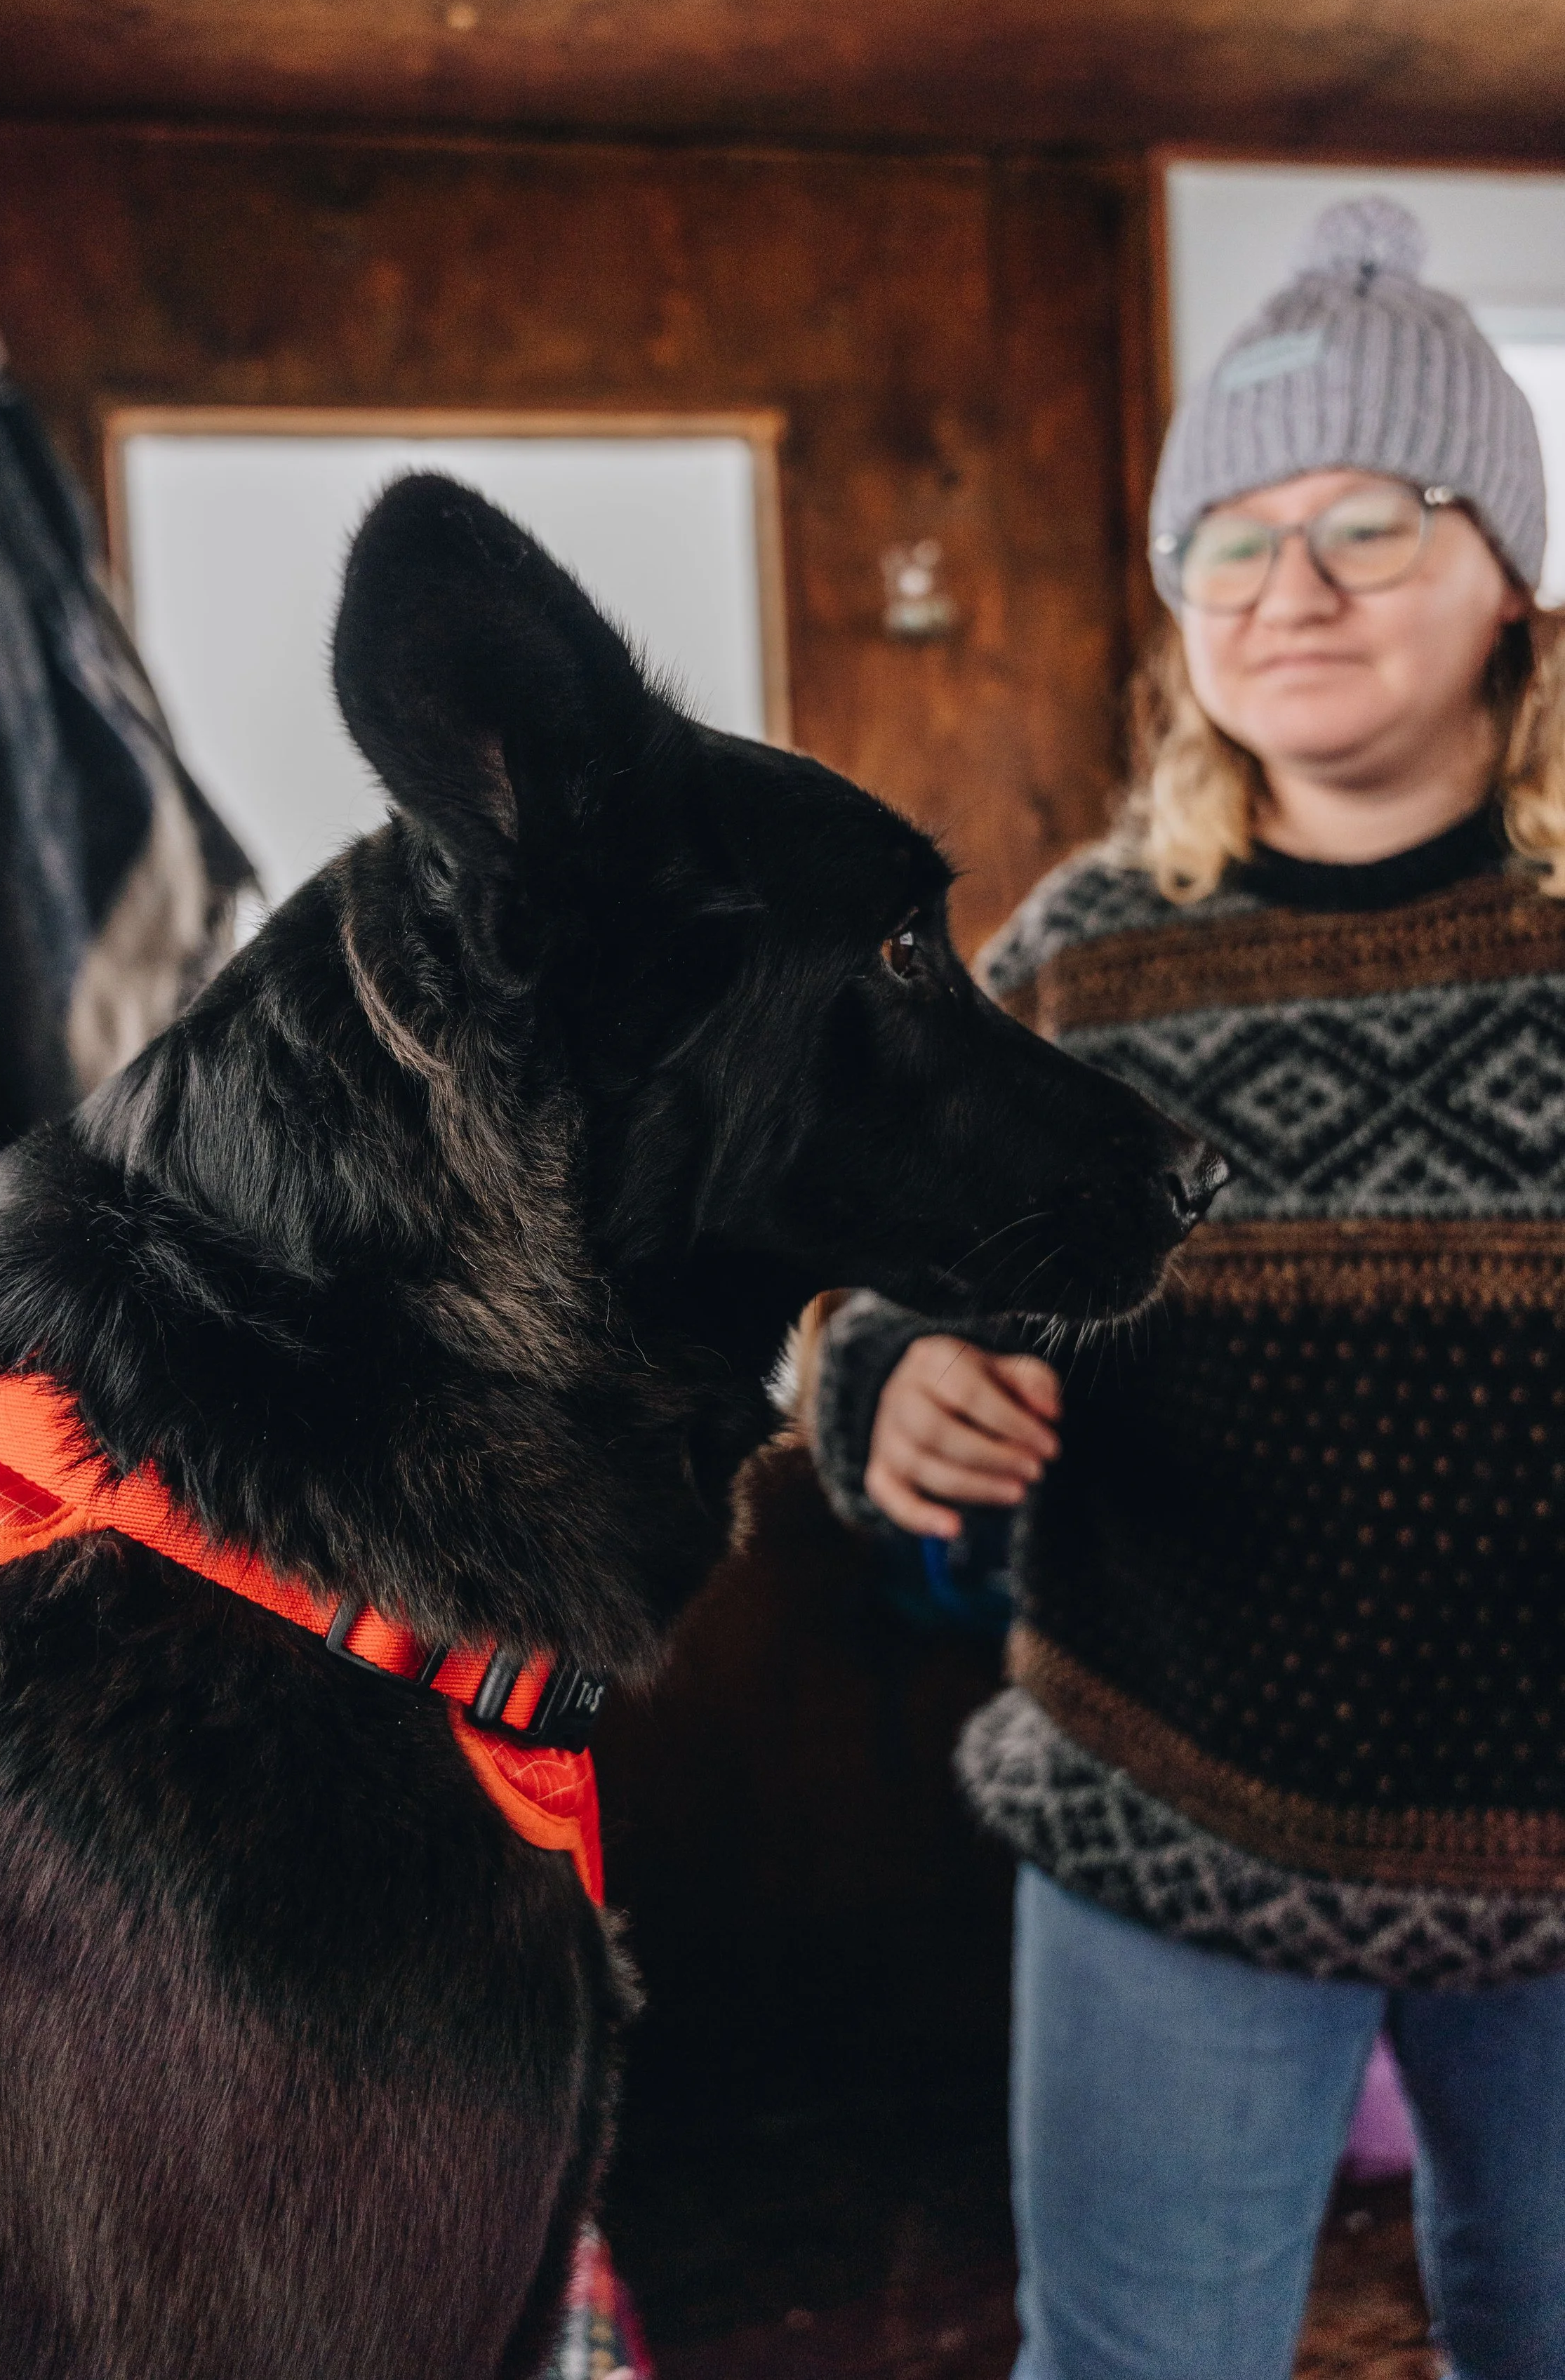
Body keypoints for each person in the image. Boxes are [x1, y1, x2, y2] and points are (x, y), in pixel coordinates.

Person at [806, 197, 1565, 2380]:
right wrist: (883, 1375)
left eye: (1366, 521)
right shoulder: (1078, 950)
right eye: (1227, 540)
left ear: (1508, 578)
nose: (1286, 587)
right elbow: (873, 1278)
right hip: (1168, 1820)